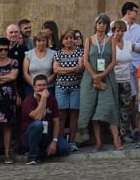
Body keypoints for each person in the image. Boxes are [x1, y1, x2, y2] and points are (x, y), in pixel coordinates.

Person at [79, 15, 122, 153]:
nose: (101, 26)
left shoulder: (111, 40)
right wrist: (94, 76)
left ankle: (116, 140)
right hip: (90, 78)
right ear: (95, 25)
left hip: (107, 77)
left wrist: (101, 75)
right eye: (99, 23)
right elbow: (85, 61)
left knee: (109, 107)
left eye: (104, 23)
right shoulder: (89, 40)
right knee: (92, 108)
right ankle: (98, 142)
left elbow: (113, 61)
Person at [22, 74, 76, 163]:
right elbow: (38, 117)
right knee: (37, 124)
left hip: (47, 135)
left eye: (44, 85)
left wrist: (54, 141)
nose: (42, 88)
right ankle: (32, 157)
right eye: (39, 85)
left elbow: (56, 121)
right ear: (34, 88)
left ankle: (39, 153)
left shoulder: (52, 99)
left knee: (66, 148)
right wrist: (43, 99)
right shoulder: (28, 100)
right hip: (30, 137)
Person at [0, 37, 21, 163]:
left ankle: (7, 154)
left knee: (7, 126)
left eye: (6, 49)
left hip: (8, 96)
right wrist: (2, 78)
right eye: (1, 49)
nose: (3, 52)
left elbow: (13, 77)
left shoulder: (14, 62)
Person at [53, 30, 84, 142]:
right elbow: (56, 70)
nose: (69, 40)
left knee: (74, 114)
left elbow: (80, 68)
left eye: (71, 38)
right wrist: (72, 69)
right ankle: (60, 141)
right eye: (66, 38)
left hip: (76, 87)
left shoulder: (80, 51)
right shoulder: (58, 53)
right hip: (61, 88)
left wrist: (64, 70)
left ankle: (72, 141)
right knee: (61, 114)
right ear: (62, 41)